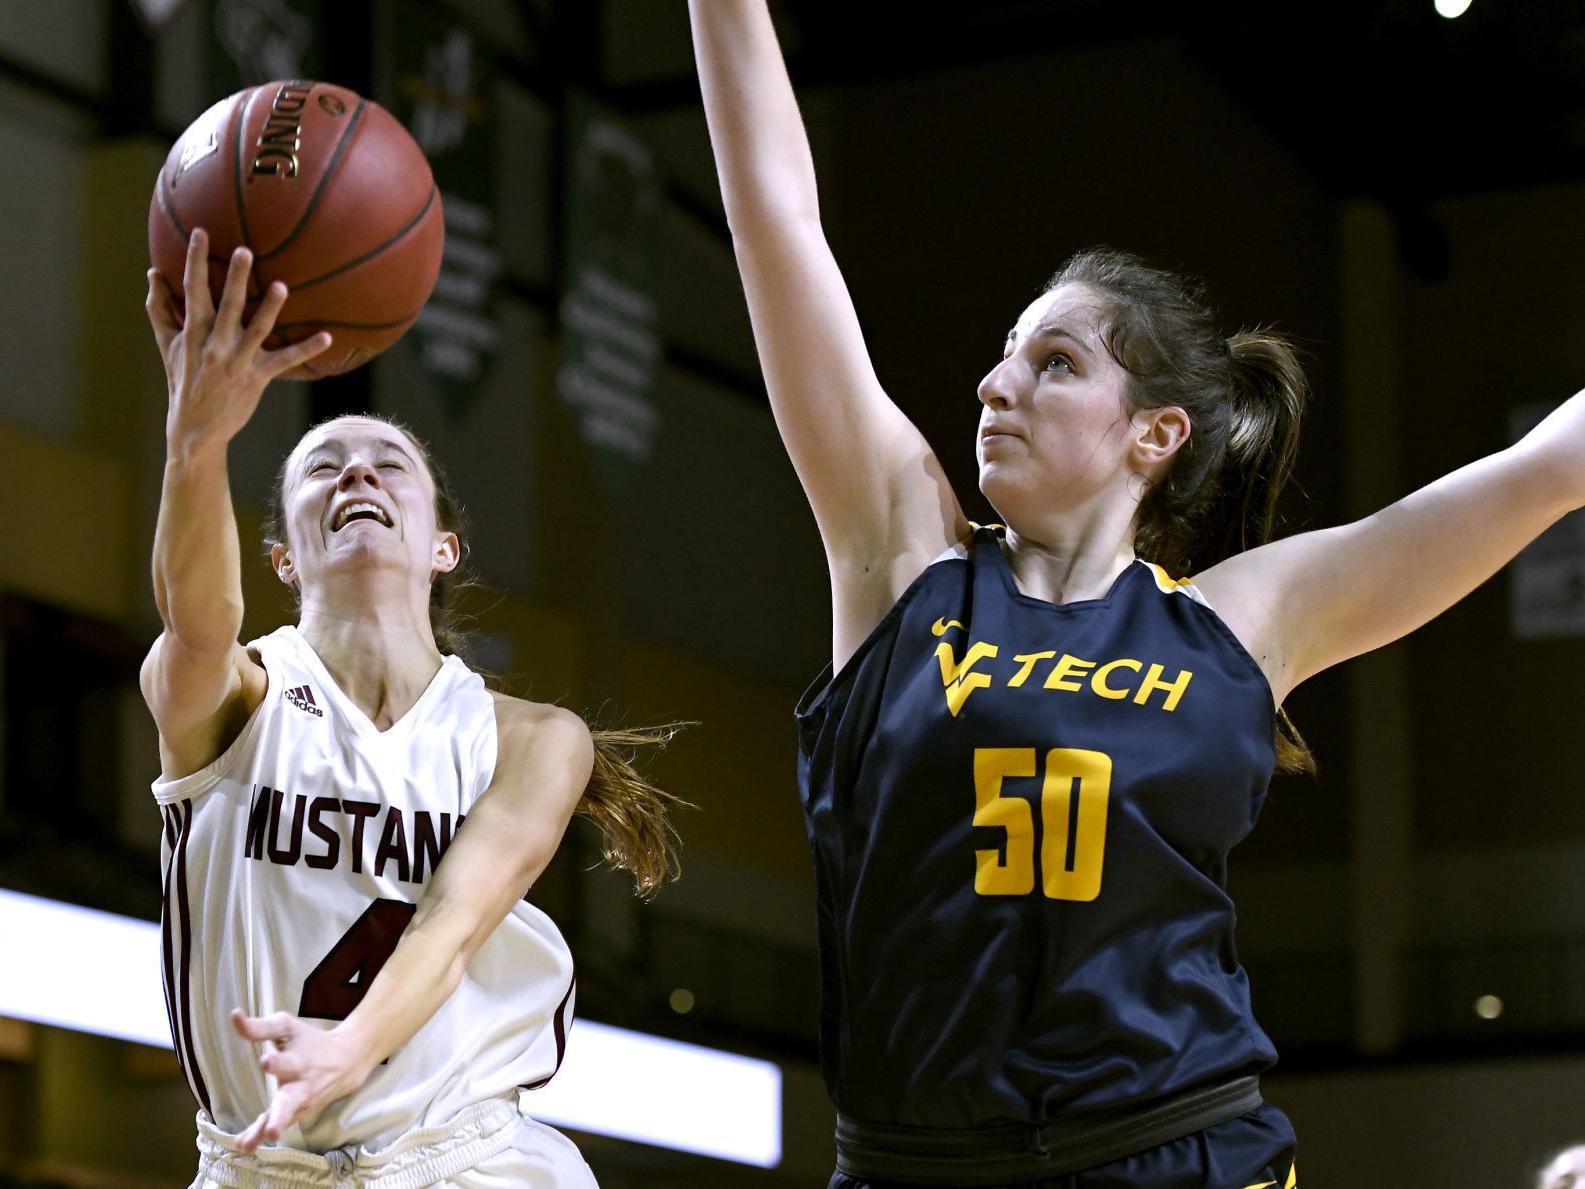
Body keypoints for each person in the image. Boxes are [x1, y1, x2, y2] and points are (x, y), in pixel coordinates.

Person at [690, 3, 1585, 1186]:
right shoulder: (901, 560)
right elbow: (775, 221)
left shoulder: (1234, 622)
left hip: (1171, 1152)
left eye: (1053, 362)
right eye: (1006, 353)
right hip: (914, 1161)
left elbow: (1543, 472)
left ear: (1154, 433)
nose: (993, 382)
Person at [142, 228, 682, 1187]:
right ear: (283, 558)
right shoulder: (230, 698)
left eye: (388, 464)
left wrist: (347, 1051)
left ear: (443, 547)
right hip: (261, 1169)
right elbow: (195, 619)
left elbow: (454, 923)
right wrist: (200, 439)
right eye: (323, 466)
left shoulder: (531, 739)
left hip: (460, 1162)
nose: (356, 472)